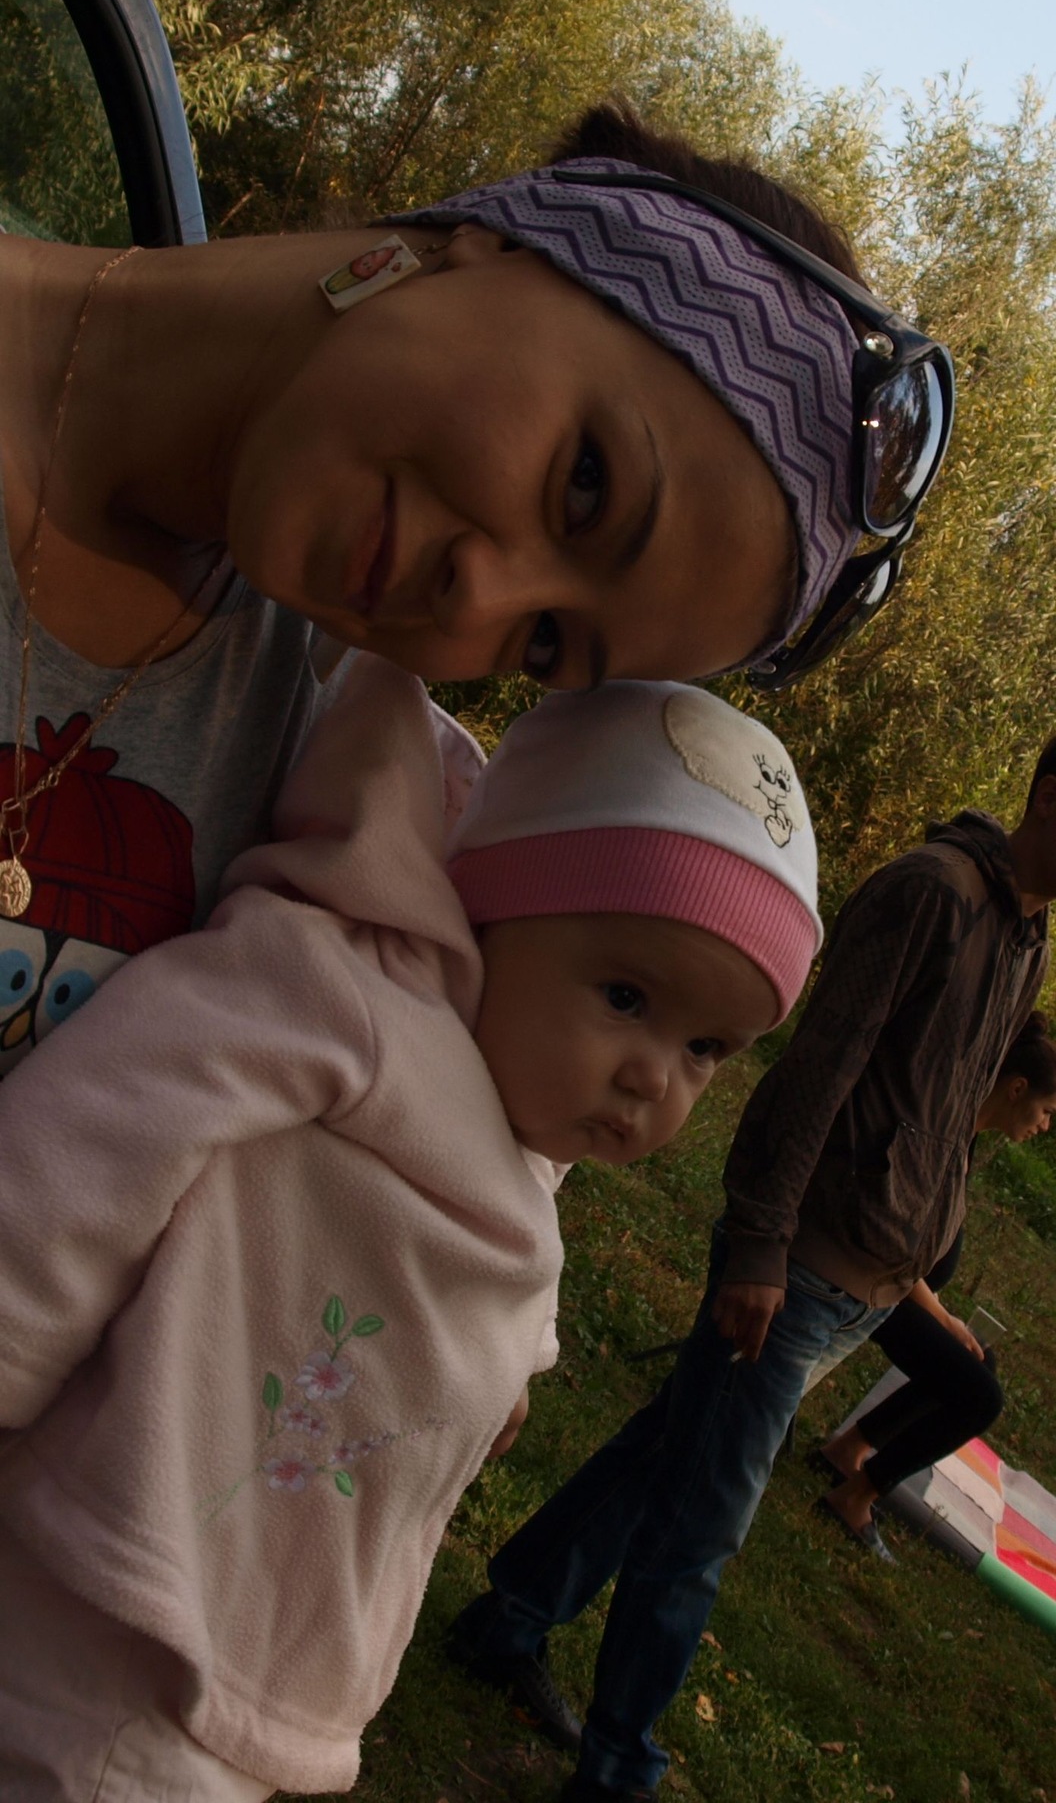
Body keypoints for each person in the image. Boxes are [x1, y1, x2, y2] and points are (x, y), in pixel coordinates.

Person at [0, 662, 822, 1800]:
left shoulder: (522, 1105)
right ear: (493, 910)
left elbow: (504, 1233)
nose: (653, 1077)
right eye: (628, 998)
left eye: (705, 1050)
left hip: (255, 1634)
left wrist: (516, 1361)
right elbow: (103, 1129)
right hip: (124, 1609)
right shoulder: (342, 996)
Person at [0, 99, 952, 1069]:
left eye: (544, 641)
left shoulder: (318, 787)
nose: (477, 601)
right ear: (502, 242)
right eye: (586, 486)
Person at [449, 734, 1055, 1803]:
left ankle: (507, 1618)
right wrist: (762, 1242)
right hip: (803, 1267)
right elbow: (818, 1068)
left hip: (870, 1283)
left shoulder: (1027, 936)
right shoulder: (930, 892)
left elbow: (950, 1104)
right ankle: (619, 1769)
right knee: (699, 1533)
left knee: (666, 1456)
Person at [814, 1012, 1056, 1539]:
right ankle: (857, 1496)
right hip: (871, 1282)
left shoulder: (967, 1139)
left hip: (893, 1289)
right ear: (1017, 1088)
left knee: (978, 1360)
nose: (1044, 1126)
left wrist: (945, 1320)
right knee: (980, 1396)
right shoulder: (945, 1134)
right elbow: (897, 1248)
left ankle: (849, 1450)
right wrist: (943, 1318)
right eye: (1046, 1111)